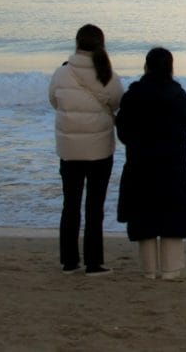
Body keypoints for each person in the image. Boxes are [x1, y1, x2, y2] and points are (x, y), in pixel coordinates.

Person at [48, 24, 124, 276]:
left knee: (70, 204)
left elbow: (54, 101)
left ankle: (69, 261)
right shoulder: (107, 74)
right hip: (100, 149)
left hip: (69, 149)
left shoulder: (62, 73)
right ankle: (94, 263)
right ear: (101, 45)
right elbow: (118, 102)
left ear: (77, 43)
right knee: (94, 206)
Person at [115, 47, 186, 280]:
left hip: (141, 166)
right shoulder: (178, 95)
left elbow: (123, 133)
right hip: (172, 166)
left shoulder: (133, 95)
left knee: (144, 214)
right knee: (172, 215)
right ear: (170, 68)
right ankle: (170, 269)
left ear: (146, 67)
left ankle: (149, 270)